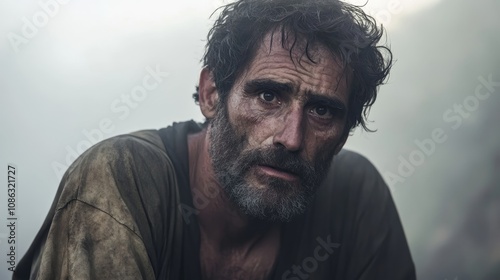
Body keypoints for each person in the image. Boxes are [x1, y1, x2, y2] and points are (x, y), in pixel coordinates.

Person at [14, 0, 416, 279]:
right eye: (268, 96)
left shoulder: (356, 197)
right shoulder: (120, 180)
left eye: (322, 111)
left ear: (345, 131)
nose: (291, 138)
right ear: (211, 94)